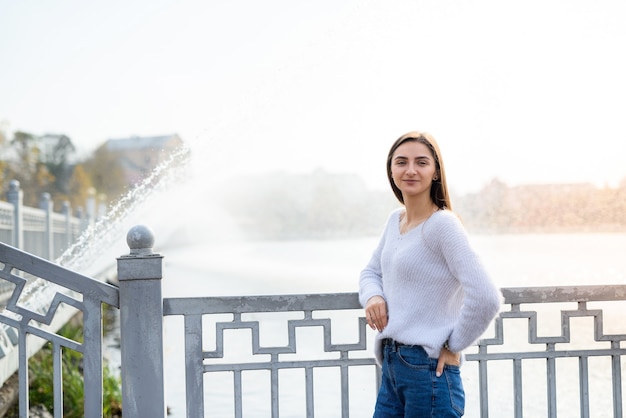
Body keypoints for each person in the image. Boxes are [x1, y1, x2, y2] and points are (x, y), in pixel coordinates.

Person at [359, 131, 502, 417]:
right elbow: (370, 272)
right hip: (392, 367)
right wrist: (373, 296)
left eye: (421, 162)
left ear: (435, 172)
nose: (410, 170)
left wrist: (453, 345)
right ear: (391, 170)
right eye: (401, 162)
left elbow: (487, 297)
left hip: (428, 372)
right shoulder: (394, 221)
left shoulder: (443, 225)